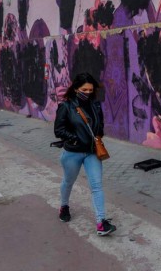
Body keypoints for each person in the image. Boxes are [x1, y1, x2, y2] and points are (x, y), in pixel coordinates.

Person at [53, 72, 116, 236]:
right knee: (68, 181)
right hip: (72, 152)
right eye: (84, 89)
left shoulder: (95, 105)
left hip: (92, 152)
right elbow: (58, 130)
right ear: (75, 88)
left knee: (96, 186)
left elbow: (100, 124)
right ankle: (64, 206)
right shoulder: (66, 107)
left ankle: (101, 222)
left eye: (90, 89)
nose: (88, 92)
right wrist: (75, 139)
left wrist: (98, 134)